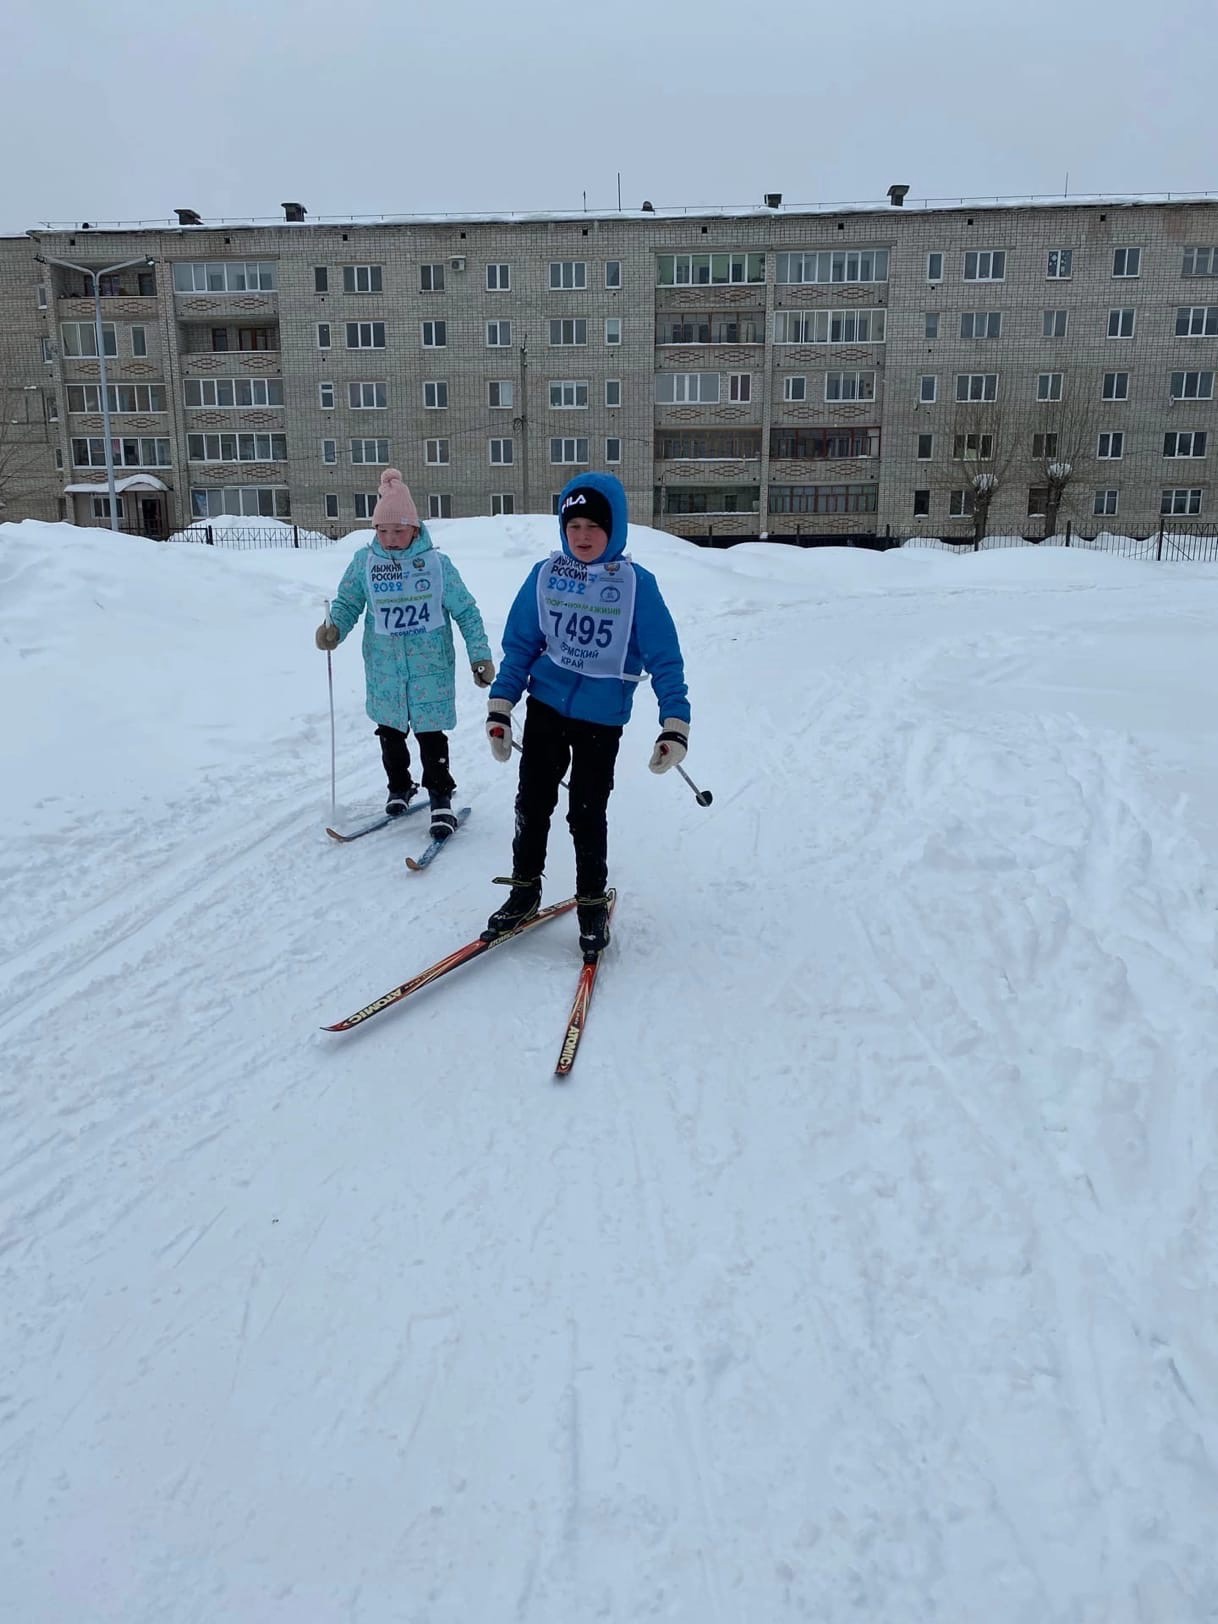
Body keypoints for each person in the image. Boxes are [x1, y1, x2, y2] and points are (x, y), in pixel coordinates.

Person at [482, 470, 690, 957]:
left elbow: (665, 658)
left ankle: (591, 901)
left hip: (602, 720)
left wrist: (674, 724)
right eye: (573, 526)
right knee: (531, 804)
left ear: (614, 528)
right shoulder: (546, 575)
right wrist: (501, 705)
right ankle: (524, 889)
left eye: (594, 527)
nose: (583, 536)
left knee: (586, 811)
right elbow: (520, 646)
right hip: (546, 709)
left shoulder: (637, 586)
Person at [315, 469, 494, 839]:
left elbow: (466, 611)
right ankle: (400, 786)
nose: (391, 539)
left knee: (431, 736)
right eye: (383, 531)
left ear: (415, 528)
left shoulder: (436, 565)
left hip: (430, 669)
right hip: (384, 670)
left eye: (398, 531)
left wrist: (480, 654)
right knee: (390, 732)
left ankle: (440, 796)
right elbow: (349, 603)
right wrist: (335, 628)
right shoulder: (364, 563)